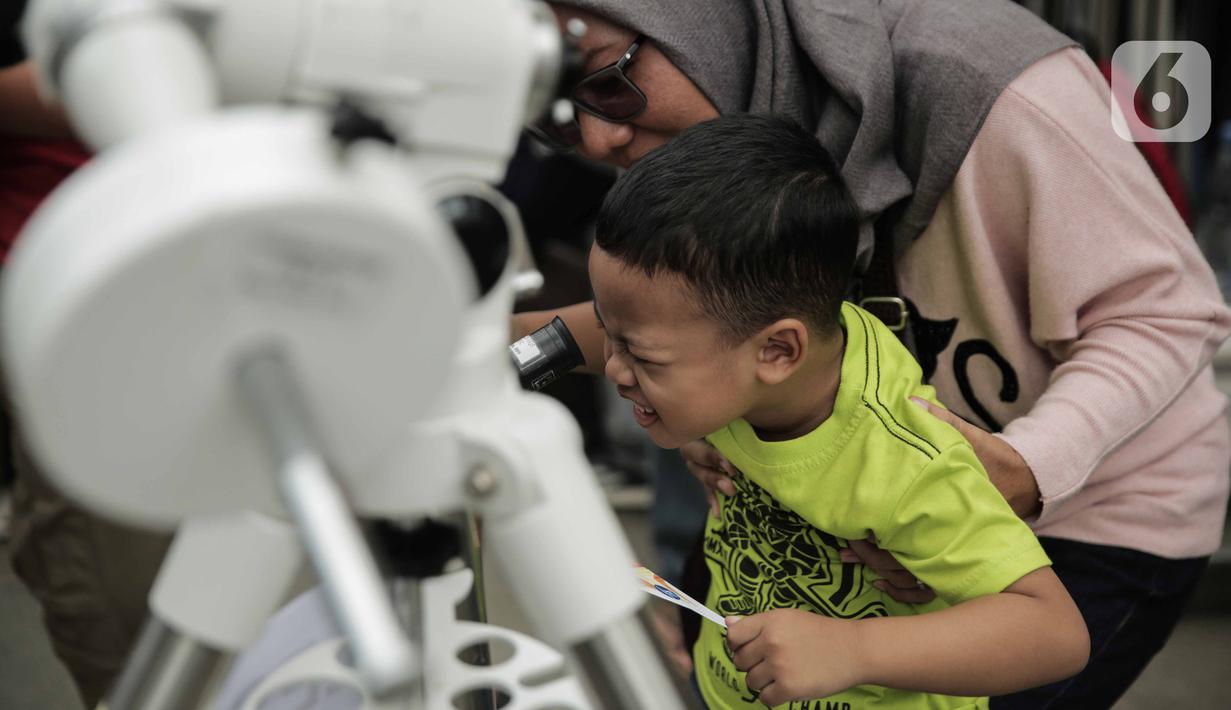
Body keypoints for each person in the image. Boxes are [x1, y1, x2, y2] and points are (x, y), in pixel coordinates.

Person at [513, 1, 1231, 707]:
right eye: (556, 113)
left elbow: (1163, 312)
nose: (597, 139)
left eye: (610, 81)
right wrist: (499, 349)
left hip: (1086, 508)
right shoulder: (746, 318)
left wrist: (1021, 470)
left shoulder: (991, 85)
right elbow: (653, 325)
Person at [589, 112, 1089, 709]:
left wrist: (854, 650)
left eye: (641, 356)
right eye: (607, 335)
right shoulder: (752, 361)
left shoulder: (902, 462)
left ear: (778, 352)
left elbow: (1055, 633)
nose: (615, 369)